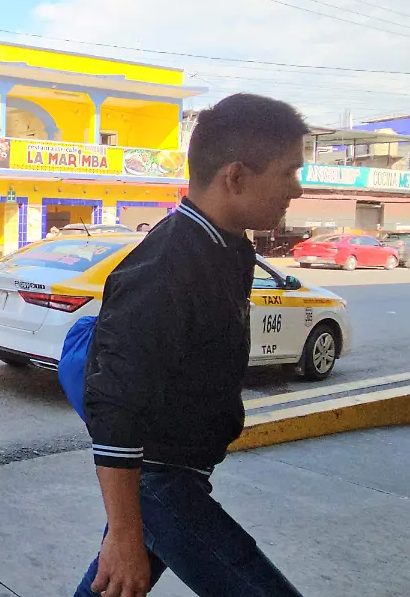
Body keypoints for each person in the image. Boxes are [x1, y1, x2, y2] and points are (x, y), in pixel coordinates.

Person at [74, 92, 308, 597]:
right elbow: (114, 406)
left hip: (181, 475)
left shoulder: (228, 247)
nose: (298, 186)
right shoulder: (166, 266)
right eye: (289, 171)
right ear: (237, 176)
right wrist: (126, 531)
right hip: (159, 480)